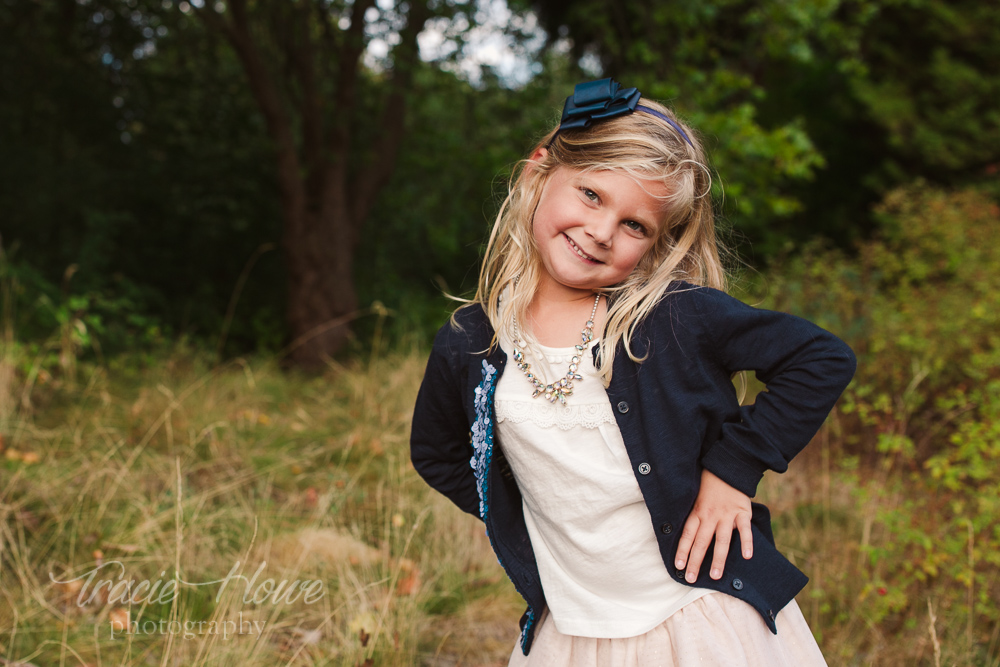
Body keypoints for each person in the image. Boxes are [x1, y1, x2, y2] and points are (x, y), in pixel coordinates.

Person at [409, 78, 856, 666]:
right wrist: (523, 516)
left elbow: (821, 358)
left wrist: (732, 472)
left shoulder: (668, 317)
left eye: (634, 225)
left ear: (654, 244)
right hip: (571, 631)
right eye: (591, 195)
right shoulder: (472, 340)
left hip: (699, 618)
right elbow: (437, 453)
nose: (600, 231)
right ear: (538, 172)